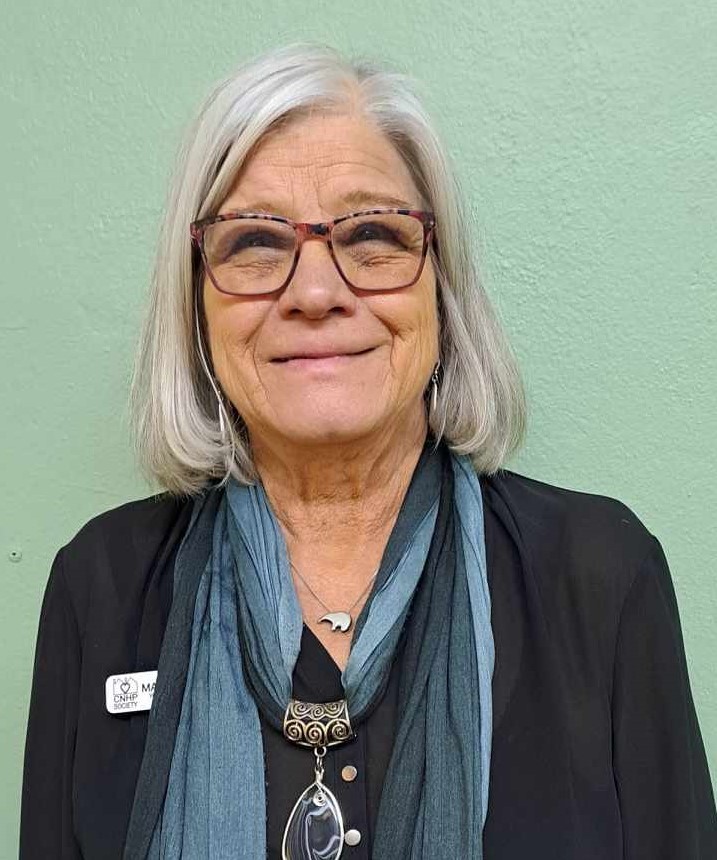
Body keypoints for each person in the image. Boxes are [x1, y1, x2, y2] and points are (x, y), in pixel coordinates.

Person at [20, 42, 716, 860]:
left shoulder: (597, 578)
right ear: (196, 301)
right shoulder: (101, 586)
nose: (315, 293)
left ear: (440, 289)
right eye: (255, 242)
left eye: (372, 235)